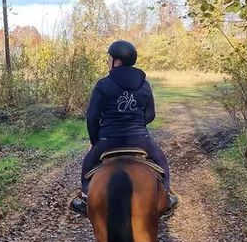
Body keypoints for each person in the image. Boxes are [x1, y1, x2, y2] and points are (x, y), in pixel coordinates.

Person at [69, 40, 178, 215]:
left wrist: (95, 141)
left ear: (117, 62)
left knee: (87, 165)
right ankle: (166, 196)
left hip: (107, 140)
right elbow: (150, 115)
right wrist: (136, 124)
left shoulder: (103, 84)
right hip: (140, 139)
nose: (108, 62)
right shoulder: (145, 84)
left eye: (109, 59)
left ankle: (84, 199)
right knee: (162, 162)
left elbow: (92, 117)